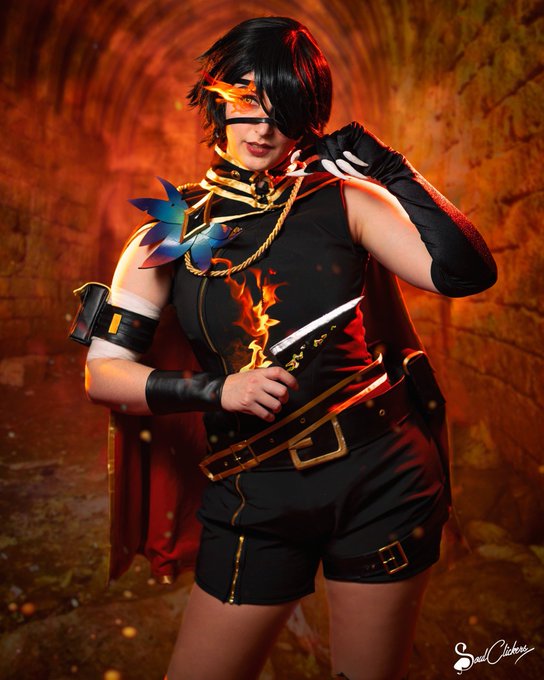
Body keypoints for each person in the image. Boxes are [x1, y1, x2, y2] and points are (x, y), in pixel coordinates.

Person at [75, 16, 497, 680]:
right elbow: (104, 374)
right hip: (256, 492)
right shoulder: (171, 230)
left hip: (383, 477)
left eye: (285, 108)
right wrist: (218, 390)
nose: (263, 127)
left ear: (307, 117)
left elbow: (464, 274)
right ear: (216, 101)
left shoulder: (347, 201)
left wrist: (393, 171)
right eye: (247, 102)